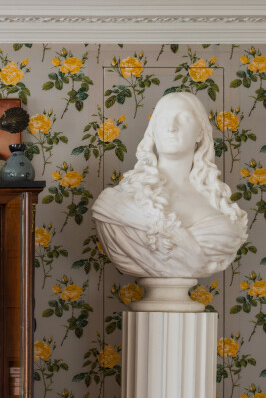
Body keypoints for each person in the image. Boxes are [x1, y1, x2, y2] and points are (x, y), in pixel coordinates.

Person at [92, 92, 247, 279]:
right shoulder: (117, 202)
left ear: (200, 132)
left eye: (183, 118)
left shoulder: (218, 202)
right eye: (163, 118)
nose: (171, 127)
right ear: (153, 131)